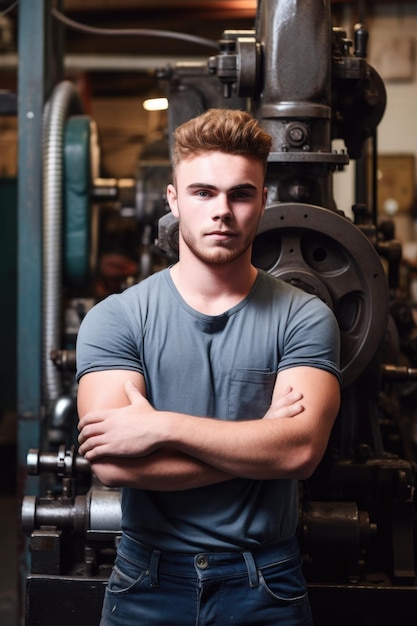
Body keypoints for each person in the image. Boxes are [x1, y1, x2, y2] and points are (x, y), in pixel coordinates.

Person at [76, 108, 341, 626]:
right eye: (202, 192)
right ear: (174, 199)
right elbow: (114, 466)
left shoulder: (304, 316)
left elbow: (303, 452)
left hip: (265, 580)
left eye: (241, 194)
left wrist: (160, 426)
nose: (222, 211)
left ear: (263, 201)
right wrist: (263, 442)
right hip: (145, 581)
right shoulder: (118, 318)